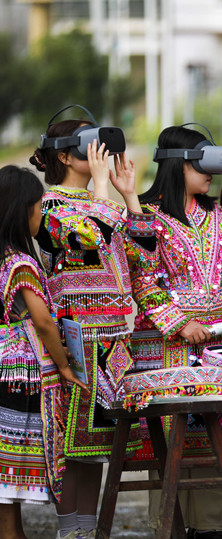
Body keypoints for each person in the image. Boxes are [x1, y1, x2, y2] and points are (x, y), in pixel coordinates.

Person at [132, 125, 222, 539]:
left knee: (211, 434)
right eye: (201, 164)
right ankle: (169, 525)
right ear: (177, 165)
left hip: (219, 343)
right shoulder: (146, 217)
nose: (211, 173)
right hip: (166, 345)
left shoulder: (221, 216)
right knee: (169, 439)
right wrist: (180, 322)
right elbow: (142, 279)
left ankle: (209, 526)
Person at [31, 118, 157, 539]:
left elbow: (146, 253)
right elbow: (89, 236)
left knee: (98, 443)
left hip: (115, 336)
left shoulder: (104, 202)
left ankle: (87, 528)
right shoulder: (48, 207)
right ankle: (70, 530)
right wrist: (103, 191)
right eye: (88, 144)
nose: (98, 151)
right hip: (76, 336)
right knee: (73, 444)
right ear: (65, 156)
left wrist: (129, 194)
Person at [0, 165, 89, 539]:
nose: (41, 215)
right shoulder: (20, 262)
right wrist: (65, 365)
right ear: (23, 210)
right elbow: (43, 321)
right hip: (18, 371)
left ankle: (12, 532)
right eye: (38, 207)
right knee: (11, 460)